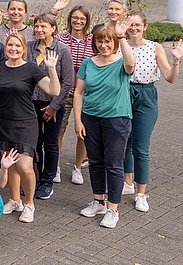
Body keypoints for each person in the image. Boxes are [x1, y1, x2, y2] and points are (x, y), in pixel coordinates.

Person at [0, 33, 61, 223]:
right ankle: (14, 200)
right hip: (2, 121)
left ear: (23, 48)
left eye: (17, 45)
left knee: (25, 166)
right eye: (10, 45)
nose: (13, 49)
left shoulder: (31, 68)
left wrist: (51, 69)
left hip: (25, 122)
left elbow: (54, 91)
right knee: (10, 164)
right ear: (6, 47)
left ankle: (29, 203)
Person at [75, 23, 135, 228]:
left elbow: (131, 65)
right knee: (96, 161)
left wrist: (123, 37)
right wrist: (78, 120)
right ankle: (98, 201)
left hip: (117, 120)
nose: (103, 44)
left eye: (108, 41)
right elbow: (79, 93)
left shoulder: (121, 63)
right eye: (100, 40)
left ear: (115, 42)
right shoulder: (87, 63)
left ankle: (113, 209)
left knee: (114, 164)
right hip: (91, 118)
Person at [122, 13, 183, 212]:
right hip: (124, 93)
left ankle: (141, 193)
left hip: (146, 94)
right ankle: (127, 183)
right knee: (125, 142)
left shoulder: (154, 47)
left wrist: (176, 62)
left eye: (138, 25)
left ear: (145, 26)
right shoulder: (121, 44)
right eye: (130, 24)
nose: (134, 28)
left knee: (141, 146)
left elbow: (170, 78)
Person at [27, 14, 74, 200]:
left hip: (53, 104)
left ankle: (48, 180)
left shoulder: (62, 50)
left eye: (43, 26)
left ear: (53, 28)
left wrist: (54, 106)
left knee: (51, 142)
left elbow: (68, 82)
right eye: (37, 26)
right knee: (34, 141)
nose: (39, 30)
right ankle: (35, 178)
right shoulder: (29, 47)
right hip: (31, 104)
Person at [57, 5, 95, 185]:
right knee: (59, 130)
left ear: (87, 21)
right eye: (75, 17)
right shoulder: (60, 39)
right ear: (70, 19)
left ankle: (77, 167)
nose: (78, 21)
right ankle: (54, 166)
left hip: (86, 94)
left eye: (82, 19)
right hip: (63, 92)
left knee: (82, 132)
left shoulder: (93, 40)